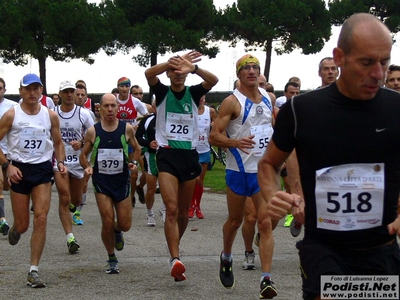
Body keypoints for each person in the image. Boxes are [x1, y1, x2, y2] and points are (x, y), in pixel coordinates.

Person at [258, 13, 400, 300]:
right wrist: (275, 194)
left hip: (381, 249)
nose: (378, 73)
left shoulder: (396, 108)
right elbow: (269, 163)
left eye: (384, 62)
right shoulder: (301, 111)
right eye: (366, 62)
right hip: (324, 248)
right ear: (340, 57)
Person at [145, 50, 218, 282]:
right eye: (174, 71)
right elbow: (148, 73)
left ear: (186, 75)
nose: (178, 74)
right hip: (167, 155)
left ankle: (175, 248)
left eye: (181, 71)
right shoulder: (163, 92)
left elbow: (213, 80)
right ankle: (175, 258)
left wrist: (192, 67)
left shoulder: (194, 93)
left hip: (189, 155)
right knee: (172, 207)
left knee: (184, 213)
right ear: (168, 74)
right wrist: (171, 62)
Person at [209, 54, 277, 299]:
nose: (251, 71)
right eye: (246, 68)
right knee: (235, 221)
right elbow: (213, 136)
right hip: (238, 172)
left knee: (266, 222)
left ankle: (266, 279)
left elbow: (272, 130)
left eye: (255, 67)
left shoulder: (269, 99)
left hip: (262, 173)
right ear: (238, 74)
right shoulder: (231, 102)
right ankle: (226, 255)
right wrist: (235, 142)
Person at [0, 73, 67, 288]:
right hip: (18, 170)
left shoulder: (50, 116)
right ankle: (16, 229)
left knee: (41, 218)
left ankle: (33, 270)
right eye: (28, 89)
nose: (32, 93)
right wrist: (7, 166)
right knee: (23, 224)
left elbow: (58, 143)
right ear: (21, 91)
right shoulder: (12, 115)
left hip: (41, 171)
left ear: (41, 91)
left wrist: (61, 162)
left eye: (36, 88)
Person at [79, 93, 140, 274]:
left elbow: (136, 148)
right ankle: (111, 257)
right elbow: (83, 154)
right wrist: (88, 167)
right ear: (100, 108)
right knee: (106, 220)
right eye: (106, 106)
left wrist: (133, 163)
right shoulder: (93, 131)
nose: (110, 109)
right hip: (102, 182)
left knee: (125, 224)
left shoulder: (127, 129)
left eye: (113, 106)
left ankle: (117, 230)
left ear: (118, 108)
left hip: (121, 180)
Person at [54, 80, 94, 250]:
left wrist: (82, 141)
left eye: (72, 91)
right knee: (64, 196)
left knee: (76, 200)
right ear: (60, 94)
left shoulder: (83, 114)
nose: (70, 95)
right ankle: (70, 238)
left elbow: (94, 135)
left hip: (78, 161)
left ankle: (72, 204)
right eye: (66, 92)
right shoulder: (52, 113)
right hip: (59, 161)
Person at [116, 77, 148, 207]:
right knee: (120, 171)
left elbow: (146, 117)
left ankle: (134, 194)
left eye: (126, 86)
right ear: (118, 87)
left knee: (136, 172)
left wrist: (138, 127)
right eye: (122, 86)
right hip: (118, 141)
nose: (124, 89)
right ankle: (122, 196)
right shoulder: (114, 100)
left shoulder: (135, 102)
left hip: (132, 140)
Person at [188, 95, 217, 219]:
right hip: (192, 149)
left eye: (202, 97)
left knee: (200, 181)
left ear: (205, 99)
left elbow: (216, 127)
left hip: (204, 149)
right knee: (193, 179)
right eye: (198, 97)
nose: (200, 99)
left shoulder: (210, 111)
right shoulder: (189, 109)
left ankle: (197, 206)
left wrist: (214, 127)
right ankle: (190, 205)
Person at [73, 84, 96, 225]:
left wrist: (82, 143)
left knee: (84, 181)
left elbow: (92, 135)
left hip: (83, 152)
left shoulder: (89, 114)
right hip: (67, 154)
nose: (80, 97)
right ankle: (72, 202)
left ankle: (77, 213)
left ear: (86, 97)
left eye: (83, 95)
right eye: (78, 94)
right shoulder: (61, 112)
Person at [135, 99, 159, 226]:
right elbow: (138, 137)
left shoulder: (171, 119)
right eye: (157, 106)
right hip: (151, 156)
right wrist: (149, 143)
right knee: (151, 189)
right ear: (153, 108)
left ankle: (165, 210)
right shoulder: (147, 120)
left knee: (168, 188)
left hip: (167, 156)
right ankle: (150, 214)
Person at [0, 78, 17, 235]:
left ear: (4, 90)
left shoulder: (13, 107)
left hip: (9, 153)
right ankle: (2, 220)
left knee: (6, 187)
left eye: (0, 88)